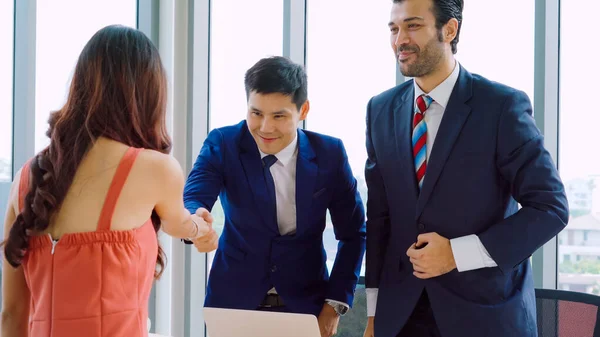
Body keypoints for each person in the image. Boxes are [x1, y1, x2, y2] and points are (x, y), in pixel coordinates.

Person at [363, 0, 569, 336]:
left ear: (450, 29)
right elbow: (380, 218)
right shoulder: (380, 110)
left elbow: (550, 208)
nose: (400, 39)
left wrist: (456, 254)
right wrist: (373, 313)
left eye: (413, 25)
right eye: (394, 28)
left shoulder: (501, 107)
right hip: (401, 317)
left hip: (484, 316)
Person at [1, 25, 211, 337]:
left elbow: (11, 315)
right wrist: (201, 228)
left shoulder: (28, 178)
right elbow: (180, 225)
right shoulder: (154, 168)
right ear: (149, 95)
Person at [184, 56, 366, 337]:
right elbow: (195, 194)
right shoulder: (223, 143)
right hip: (233, 307)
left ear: (303, 110)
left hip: (308, 309)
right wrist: (196, 221)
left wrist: (334, 305)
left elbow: (354, 233)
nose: (265, 127)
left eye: (279, 116)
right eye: (256, 113)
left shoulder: (330, 154)